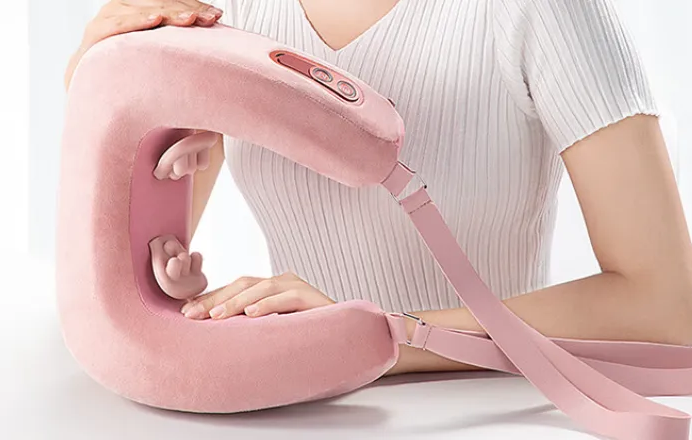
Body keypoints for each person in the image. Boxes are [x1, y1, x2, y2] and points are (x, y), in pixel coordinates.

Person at [66, 0, 692, 376]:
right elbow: (123, 291)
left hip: (486, 410)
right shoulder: (224, 8)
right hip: (286, 406)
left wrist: (383, 336)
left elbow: (664, 306)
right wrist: (103, 107)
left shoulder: (545, 11)